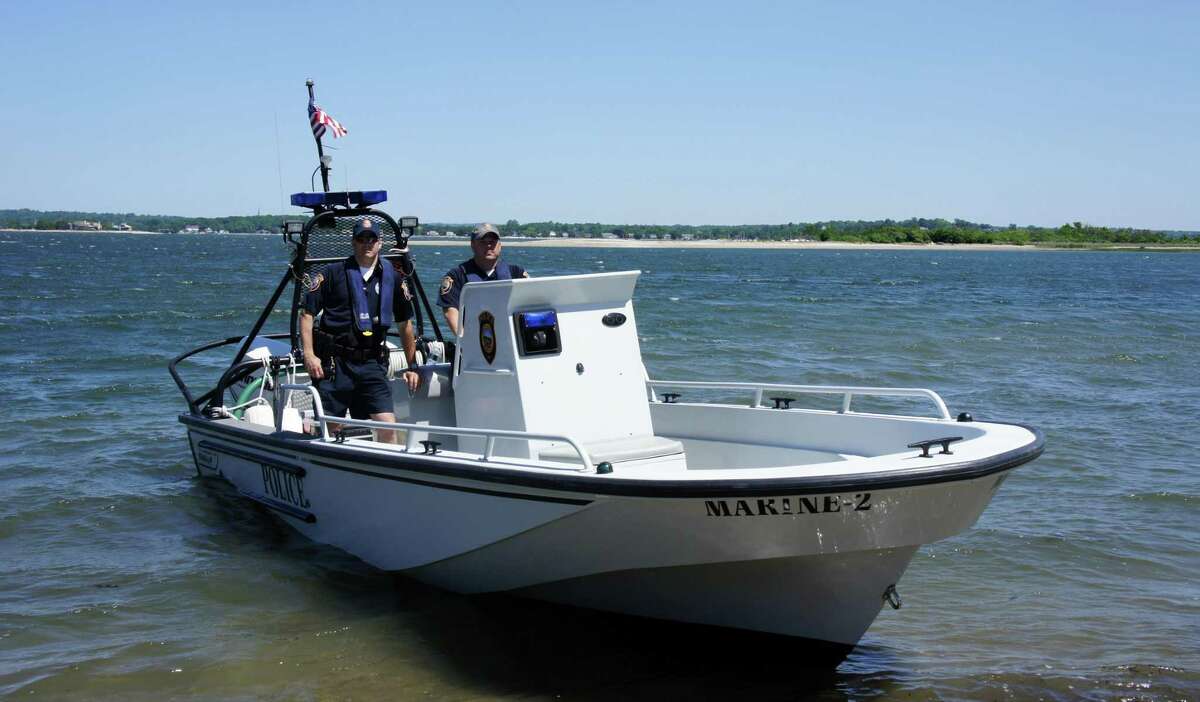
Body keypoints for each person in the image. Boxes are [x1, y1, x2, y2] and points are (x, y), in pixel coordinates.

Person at [300, 218, 420, 443]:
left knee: (387, 426)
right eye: (361, 239)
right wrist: (309, 354)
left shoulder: (393, 278)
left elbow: (405, 324)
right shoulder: (332, 273)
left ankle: (388, 470)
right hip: (337, 363)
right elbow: (307, 315)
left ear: (380, 243)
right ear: (353, 243)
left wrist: (412, 366)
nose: (367, 244)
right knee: (332, 429)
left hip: (371, 363)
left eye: (372, 239)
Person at [438, 222, 529, 335]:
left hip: (510, 337)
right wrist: (464, 340)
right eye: (483, 242)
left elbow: (530, 304)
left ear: (500, 245)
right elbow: (450, 311)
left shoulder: (517, 273)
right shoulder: (456, 276)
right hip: (475, 340)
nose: (489, 245)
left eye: (492, 242)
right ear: (472, 245)